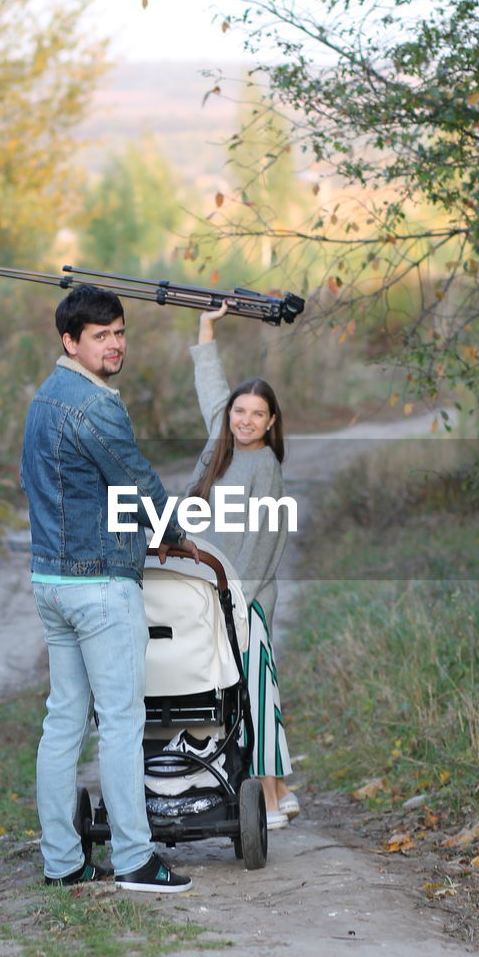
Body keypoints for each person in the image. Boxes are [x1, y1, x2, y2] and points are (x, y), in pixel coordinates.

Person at [20, 284, 199, 892]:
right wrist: (173, 533)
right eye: (101, 336)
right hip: (98, 586)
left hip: (50, 580)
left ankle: (63, 863)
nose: (115, 344)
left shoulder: (43, 399)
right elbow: (138, 483)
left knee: (64, 720)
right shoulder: (95, 406)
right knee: (121, 721)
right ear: (70, 342)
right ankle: (135, 860)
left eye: (120, 332)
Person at [186, 303, 299, 830]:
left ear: (272, 422)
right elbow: (211, 383)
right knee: (235, 689)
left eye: (258, 414)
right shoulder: (220, 438)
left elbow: (262, 543)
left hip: (244, 595)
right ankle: (280, 790)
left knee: (252, 689)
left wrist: (233, 602)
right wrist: (207, 327)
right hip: (210, 591)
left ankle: (270, 799)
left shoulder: (265, 466)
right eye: (240, 411)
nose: (246, 420)